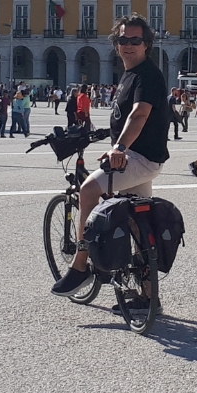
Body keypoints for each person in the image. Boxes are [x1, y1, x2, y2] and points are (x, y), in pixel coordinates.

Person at [52, 16, 171, 297]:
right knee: (138, 225)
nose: (128, 45)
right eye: (123, 40)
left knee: (88, 190)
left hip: (137, 159)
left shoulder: (147, 75)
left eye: (135, 40)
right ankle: (149, 297)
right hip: (140, 158)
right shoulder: (130, 74)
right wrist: (105, 134)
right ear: (116, 44)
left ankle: (80, 266)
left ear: (146, 45)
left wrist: (119, 148)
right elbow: (127, 116)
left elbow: (139, 114)